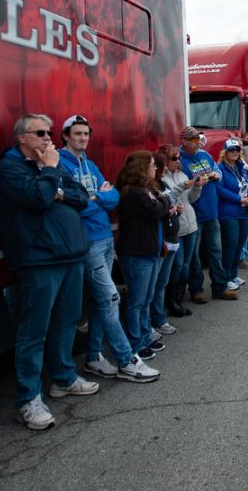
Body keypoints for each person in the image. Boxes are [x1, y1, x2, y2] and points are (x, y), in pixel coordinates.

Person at [0, 114, 99, 431]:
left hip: (69, 254)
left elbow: (82, 197)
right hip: (38, 259)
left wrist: (59, 191)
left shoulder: (51, 164)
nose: (48, 138)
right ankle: (28, 399)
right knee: (33, 331)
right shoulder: (10, 167)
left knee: (66, 321)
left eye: (50, 133)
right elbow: (38, 199)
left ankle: (63, 378)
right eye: (40, 133)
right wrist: (51, 173)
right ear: (20, 137)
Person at [56, 116, 160, 386]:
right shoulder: (59, 163)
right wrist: (95, 198)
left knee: (98, 303)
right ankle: (126, 360)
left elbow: (113, 197)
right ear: (65, 136)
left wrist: (94, 198)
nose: (82, 138)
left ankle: (93, 356)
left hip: (104, 239)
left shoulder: (89, 164)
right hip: (87, 241)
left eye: (86, 134)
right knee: (110, 299)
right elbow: (74, 203)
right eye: (77, 134)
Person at [115, 151, 176, 357]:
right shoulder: (133, 192)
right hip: (136, 253)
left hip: (150, 249)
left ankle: (144, 336)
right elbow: (155, 210)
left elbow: (158, 207)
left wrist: (162, 202)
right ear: (141, 168)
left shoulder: (145, 190)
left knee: (147, 297)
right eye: (151, 165)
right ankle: (135, 343)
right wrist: (166, 202)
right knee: (137, 300)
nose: (155, 169)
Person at [158, 143, 204, 316]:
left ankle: (178, 300)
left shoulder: (182, 173)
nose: (178, 161)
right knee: (176, 266)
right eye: (174, 158)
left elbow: (190, 199)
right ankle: (171, 302)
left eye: (179, 157)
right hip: (176, 229)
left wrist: (197, 186)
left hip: (190, 224)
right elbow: (169, 199)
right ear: (164, 159)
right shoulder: (162, 179)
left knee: (185, 265)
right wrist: (183, 186)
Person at [178, 126, 222, 304]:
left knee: (216, 251)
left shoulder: (205, 155)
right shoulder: (179, 160)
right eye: (194, 140)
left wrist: (215, 175)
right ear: (184, 141)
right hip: (194, 215)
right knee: (194, 256)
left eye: (198, 139)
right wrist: (196, 182)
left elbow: (218, 170)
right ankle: (196, 289)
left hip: (212, 213)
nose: (198, 143)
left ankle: (219, 286)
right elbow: (180, 187)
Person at [151, 150, 186, 332]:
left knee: (162, 282)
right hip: (162, 239)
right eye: (162, 165)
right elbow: (155, 211)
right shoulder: (149, 187)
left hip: (173, 236)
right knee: (155, 284)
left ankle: (159, 316)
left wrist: (178, 209)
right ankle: (154, 319)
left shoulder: (163, 183)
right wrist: (168, 209)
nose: (165, 168)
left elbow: (171, 203)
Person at [216, 139, 248, 295]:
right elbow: (220, 190)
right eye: (231, 149)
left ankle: (233, 275)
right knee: (230, 245)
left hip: (244, 211)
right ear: (225, 152)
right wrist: (238, 199)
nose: (235, 152)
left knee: (239, 245)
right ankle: (225, 278)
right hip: (229, 212)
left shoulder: (240, 167)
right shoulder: (220, 168)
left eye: (237, 149)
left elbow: (246, 185)